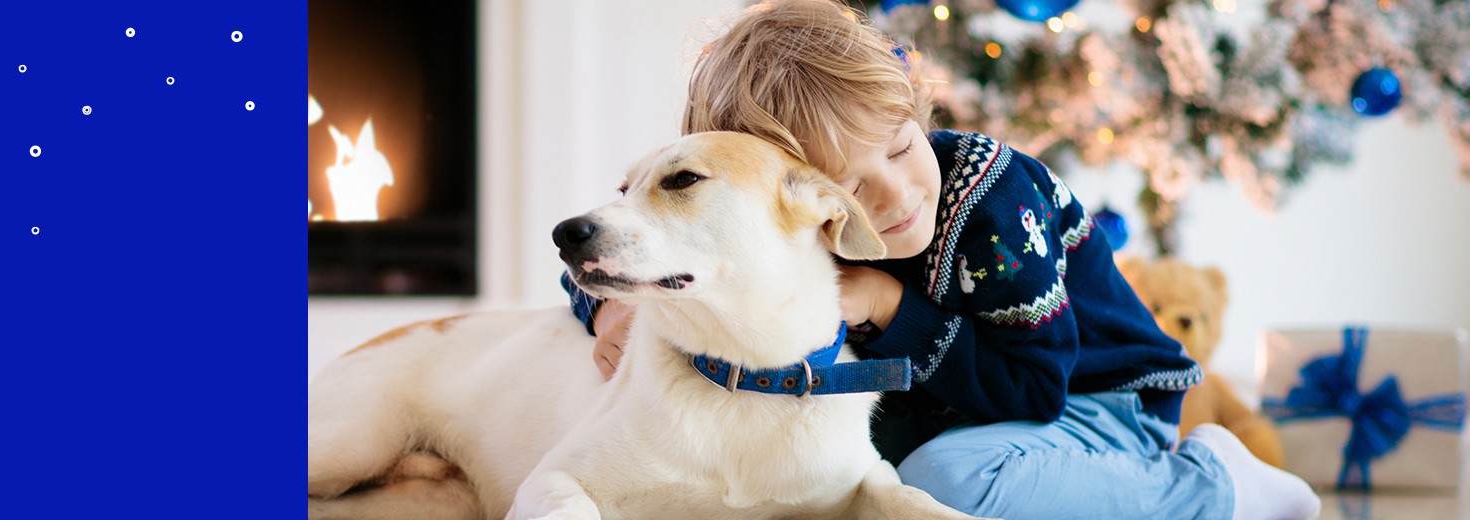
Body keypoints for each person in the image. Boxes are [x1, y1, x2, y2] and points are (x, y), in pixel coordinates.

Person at [559, 1, 1318, 518]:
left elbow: (1033, 391)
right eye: (851, 184)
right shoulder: (787, 233)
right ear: (789, 196)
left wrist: (892, 309)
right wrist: (613, 303)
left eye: (899, 146)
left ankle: (1212, 488)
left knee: (938, 483)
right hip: (951, 412)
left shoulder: (992, 205)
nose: (893, 196)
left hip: (1098, 403)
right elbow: (655, 243)